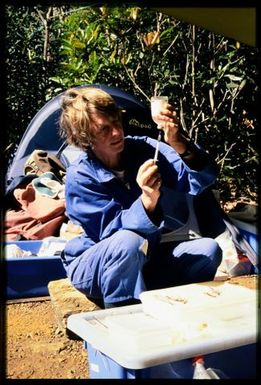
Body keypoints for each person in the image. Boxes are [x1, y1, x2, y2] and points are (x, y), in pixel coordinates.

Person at [59, 87, 222, 309]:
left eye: (117, 122)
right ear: (84, 136)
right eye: (104, 129)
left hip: (145, 255)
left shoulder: (142, 148)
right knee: (128, 242)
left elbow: (201, 178)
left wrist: (177, 141)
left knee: (207, 251)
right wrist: (147, 200)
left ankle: (183, 313)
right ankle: (123, 320)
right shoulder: (80, 176)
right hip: (95, 263)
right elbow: (109, 234)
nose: (117, 133)